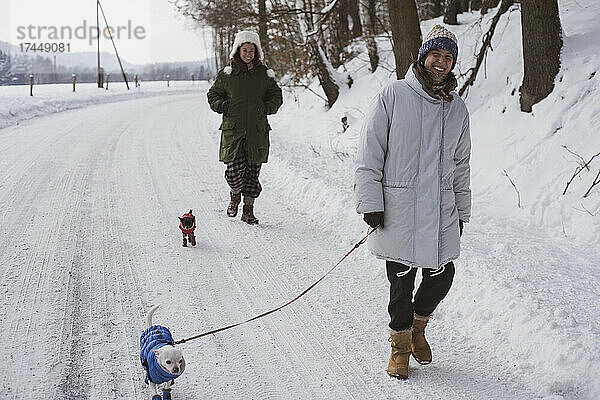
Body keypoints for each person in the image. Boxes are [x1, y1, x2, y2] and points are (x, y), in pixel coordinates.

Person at [354, 25, 471, 379]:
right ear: (423, 57)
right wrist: (370, 201)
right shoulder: (394, 95)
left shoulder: (457, 108)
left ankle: (418, 328)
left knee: (442, 276)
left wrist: (462, 212)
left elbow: (462, 164)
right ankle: (400, 346)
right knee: (401, 283)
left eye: (448, 57)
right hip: (399, 210)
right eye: (436, 54)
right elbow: (370, 152)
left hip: (440, 210)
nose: (442, 61)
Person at [208, 31, 283, 224]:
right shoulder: (227, 74)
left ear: (256, 51)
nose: (248, 53)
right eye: (245, 50)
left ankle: (248, 210)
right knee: (234, 171)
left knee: (252, 173)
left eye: (252, 50)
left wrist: (267, 107)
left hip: (257, 132)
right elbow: (213, 94)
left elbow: (276, 96)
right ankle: (234, 195)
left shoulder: (264, 74)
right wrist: (221, 105)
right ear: (238, 50)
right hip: (233, 132)